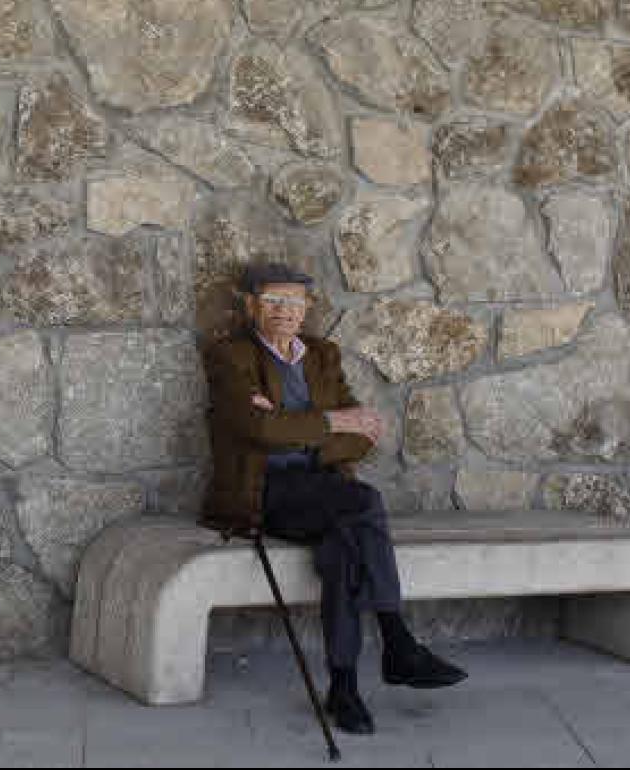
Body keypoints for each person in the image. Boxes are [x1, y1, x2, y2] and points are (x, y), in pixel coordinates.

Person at [200, 262, 467, 735]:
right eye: (273, 301)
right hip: (264, 492)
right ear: (251, 306)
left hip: (323, 490)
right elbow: (259, 429)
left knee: (343, 551)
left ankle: (344, 689)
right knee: (363, 502)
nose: (285, 311)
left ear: (307, 307)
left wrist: (295, 427)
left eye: (294, 302)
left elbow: (363, 437)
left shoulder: (322, 355)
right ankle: (396, 638)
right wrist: (330, 423)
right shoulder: (230, 356)